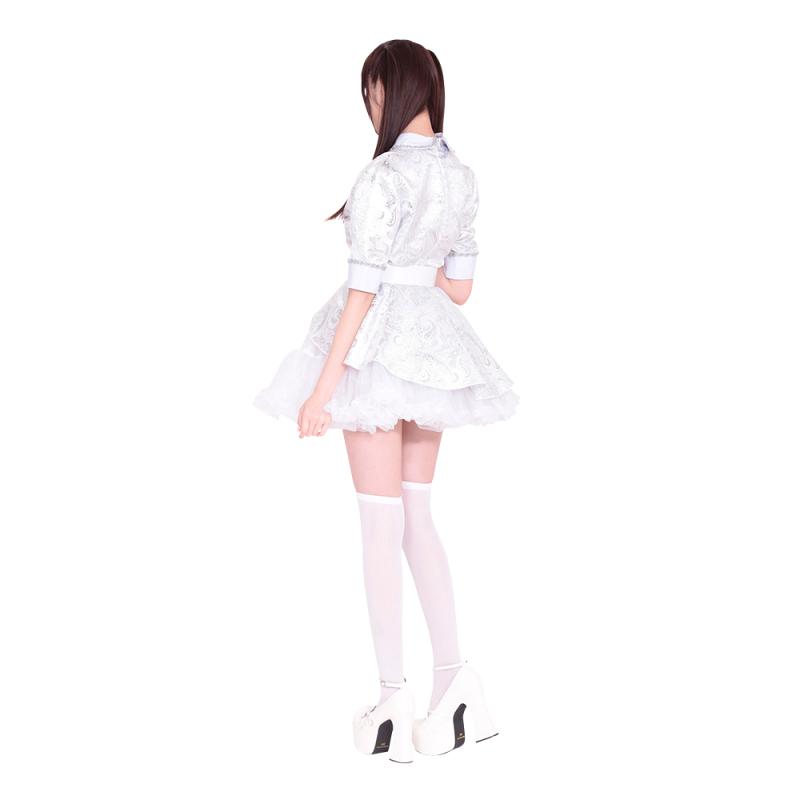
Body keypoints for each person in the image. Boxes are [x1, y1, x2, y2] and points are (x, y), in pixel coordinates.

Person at [253, 39, 519, 761]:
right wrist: (419, 271)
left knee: (380, 522)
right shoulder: (462, 176)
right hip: (432, 348)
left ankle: (391, 700)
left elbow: (364, 288)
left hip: (375, 350)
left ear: (386, 90)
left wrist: (323, 388)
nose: (369, 103)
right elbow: (460, 288)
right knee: (417, 516)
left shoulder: (382, 176)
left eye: (370, 90)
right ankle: (455, 681)